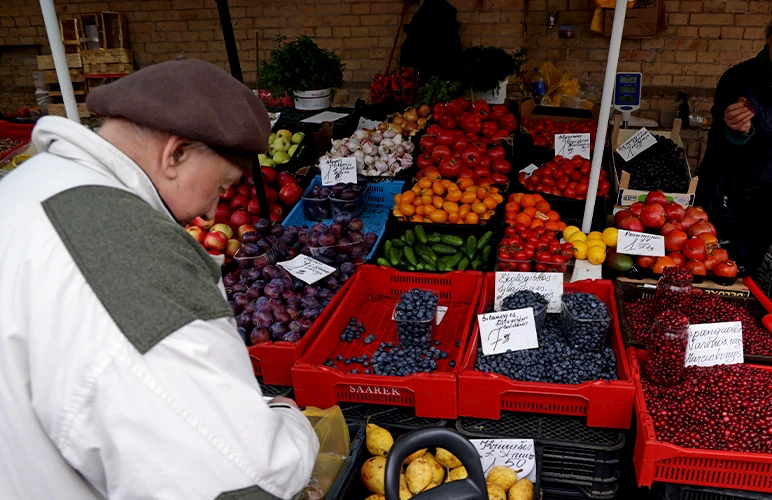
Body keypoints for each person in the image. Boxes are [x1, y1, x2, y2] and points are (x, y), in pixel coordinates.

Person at [0, 58, 319, 500]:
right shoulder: (132, 257)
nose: (211, 212)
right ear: (177, 153)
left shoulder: (26, 187)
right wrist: (291, 426)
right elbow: (239, 478)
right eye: (223, 186)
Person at [696, 19, 772, 272]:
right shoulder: (740, 78)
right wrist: (738, 132)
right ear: (769, 38)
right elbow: (720, 139)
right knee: (727, 267)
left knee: (759, 272)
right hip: (733, 196)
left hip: (768, 199)